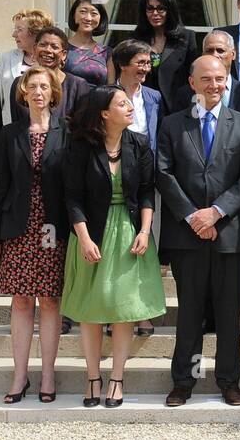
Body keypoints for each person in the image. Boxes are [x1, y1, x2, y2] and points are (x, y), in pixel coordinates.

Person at [159, 56, 240, 408]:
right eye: (206, 79)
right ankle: (185, 381)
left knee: (229, 315)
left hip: (229, 235)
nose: (213, 85)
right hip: (186, 236)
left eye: (220, 79)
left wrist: (215, 213)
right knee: (189, 313)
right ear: (191, 81)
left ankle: (228, 380)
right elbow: (164, 173)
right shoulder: (172, 125)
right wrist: (192, 217)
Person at [60, 85, 165, 408]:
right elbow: (72, 197)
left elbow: (147, 192)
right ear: (105, 113)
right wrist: (84, 238)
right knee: (91, 311)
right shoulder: (79, 146)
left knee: (124, 311)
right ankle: (92, 377)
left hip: (130, 234)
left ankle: (117, 378)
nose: (130, 106)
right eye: (122, 103)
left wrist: (145, 231)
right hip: (91, 233)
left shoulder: (140, 143)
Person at [0, 66, 68, 403]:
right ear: (23, 92)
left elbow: (73, 188)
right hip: (17, 227)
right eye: (32, 86)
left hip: (52, 227)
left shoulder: (68, 133)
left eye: (44, 86)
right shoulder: (9, 134)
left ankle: (47, 374)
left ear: (53, 93)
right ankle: (20, 376)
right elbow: (1, 188)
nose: (38, 92)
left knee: (49, 300)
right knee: (20, 301)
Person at [113, 40, 163, 336]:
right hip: (114, 180)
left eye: (149, 63)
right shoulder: (105, 96)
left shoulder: (155, 97)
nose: (146, 68)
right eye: (140, 62)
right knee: (117, 250)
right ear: (122, 64)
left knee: (144, 247)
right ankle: (114, 311)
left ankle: (141, 312)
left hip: (146, 180)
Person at [169, 30, 240, 118]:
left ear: (233, 54)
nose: (215, 55)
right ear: (203, 54)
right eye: (209, 51)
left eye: (220, 50)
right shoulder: (186, 94)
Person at [9, 27, 92, 124]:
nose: (48, 50)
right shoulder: (21, 83)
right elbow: (16, 124)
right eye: (43, 45)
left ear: (64, 55)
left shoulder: (78, 86)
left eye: (54, 47)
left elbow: (82, 128)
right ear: (35, 49)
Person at [134, 0, 195, 110]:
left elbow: (193, 75)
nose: (155, 13)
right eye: (150, 9)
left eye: (161, 8)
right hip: (143, 106)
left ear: (170, 10)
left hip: (176, 106)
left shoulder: (186, 37)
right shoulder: (135, 38)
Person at [0, 8, 53, 126]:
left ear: (35, 33)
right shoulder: (6, 59)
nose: (14, 34)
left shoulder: (51, 59)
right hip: (13, 129)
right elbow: (0, 100)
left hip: (46, 127)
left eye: (19, 30)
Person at [63, 0, 112, 86]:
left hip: (98, 99)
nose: (88, 18)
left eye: (94, 13)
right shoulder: (61, 47)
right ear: (74, 15)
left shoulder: (106, 53)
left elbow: (111, 88)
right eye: (83, 12)